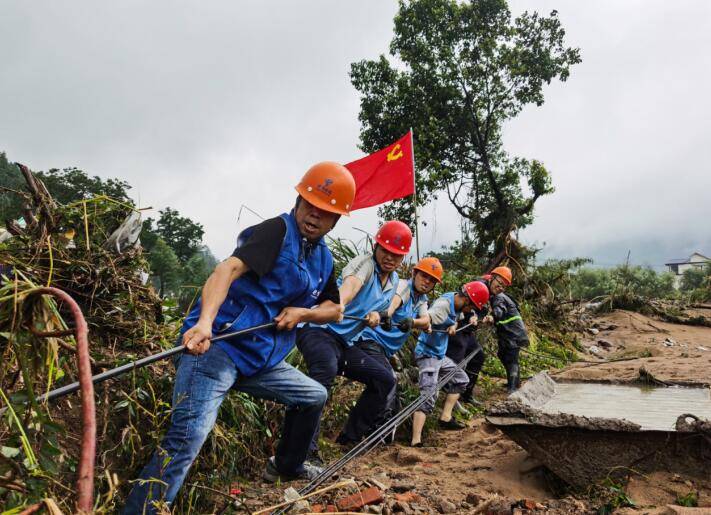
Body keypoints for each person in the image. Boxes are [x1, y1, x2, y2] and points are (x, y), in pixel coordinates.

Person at [123, 162, 355, 514]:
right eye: (310, 206)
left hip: (261, 360)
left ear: (335, 221)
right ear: (298, 201)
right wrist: (204, 324)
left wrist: (303, 313)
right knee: (188, 437)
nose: (314, 216)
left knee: (313, 395)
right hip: (220, 349)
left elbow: (334, 309)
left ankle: (286, 466)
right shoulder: (275, 232)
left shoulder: (322, 258)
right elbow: (226, 270)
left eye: (325, 213)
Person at [296, 220, 412, 458]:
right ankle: (304, 451)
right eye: (385, 251)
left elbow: (382, 308)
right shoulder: (364, 264)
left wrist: (377, 316)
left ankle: (349, 437)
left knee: (384, 379)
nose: (389, 258)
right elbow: (350, 287)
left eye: (396, 255)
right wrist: (340, 304)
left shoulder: (393, 282)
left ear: (403, 258)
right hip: (318, 330)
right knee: (324, 372)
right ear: (375, 246)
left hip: (345, 343)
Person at [355, 257, 443, 429]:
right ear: (414, 273)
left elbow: (425, 320)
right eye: (424, 276)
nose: (427, 282)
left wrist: (413, 322)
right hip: (369, 340)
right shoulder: (403, 286)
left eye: (432, 280)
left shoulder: (422, 299)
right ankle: (379, 428)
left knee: (382, 384)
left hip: (383, 349)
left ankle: (366, 429)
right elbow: (393, 303)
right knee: (388, 381)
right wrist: (386, 314)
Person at [410, 281, 490, 447]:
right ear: (467, 300)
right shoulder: (443, 305)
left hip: (439, 355)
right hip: (428, 354)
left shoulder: (457, 305)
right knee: (428, 395)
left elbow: (456, 319)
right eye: (473, 307)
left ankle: (445, 417)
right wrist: (425, 324)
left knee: (461, 380)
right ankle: (415, 441)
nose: (472, 311)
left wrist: (453, 326)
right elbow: (428, 317)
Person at [451, 266, 513, 404]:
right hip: (459, 328)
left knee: (478, 357)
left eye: (505, 286)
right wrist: (472, 315)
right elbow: (464, 301)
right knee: (456, 362)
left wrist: (490, 317)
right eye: (500, 283)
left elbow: (492, 309)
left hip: (469, 331)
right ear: (492, 277)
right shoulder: (479, 285)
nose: (501, 288)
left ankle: (466, 394)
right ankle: (450, 397)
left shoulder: (492, 294)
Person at [491, 290, 530, 393]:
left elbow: (499, 312)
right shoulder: (503, 296)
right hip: (511, 333)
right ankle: (515, 382)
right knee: (503, 355)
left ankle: (512, 387)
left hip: (512, 334)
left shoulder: (498, 297)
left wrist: (492, 316)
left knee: (511, 359)